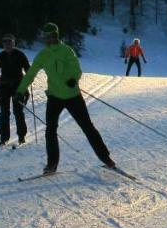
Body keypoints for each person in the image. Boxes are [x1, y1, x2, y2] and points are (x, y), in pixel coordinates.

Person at [16, 22, 115, 174]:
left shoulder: (66, 51)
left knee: (87, 127)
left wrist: (73, 78)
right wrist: (20, 90)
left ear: (56, 36)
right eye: (46, 36)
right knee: (50, 130)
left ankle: (106, 158)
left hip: (73, 96)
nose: (47, 39)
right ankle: (52, 164)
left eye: (50, 36)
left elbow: (76, 68)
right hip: (54, 97)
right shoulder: (43, 55)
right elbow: (30, 74)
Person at [0, 34, 30, 147]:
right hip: (4, 86)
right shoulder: (0, 56)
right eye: (5, 43)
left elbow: (28, 70)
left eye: (10, 42)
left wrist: (27, 84)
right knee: (4, 113)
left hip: (18, 86)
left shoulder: (20, 55)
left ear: (14, 43)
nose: (7, 45)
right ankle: (4, 138)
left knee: (18, 112)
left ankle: (21, 136)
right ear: (3, 44)